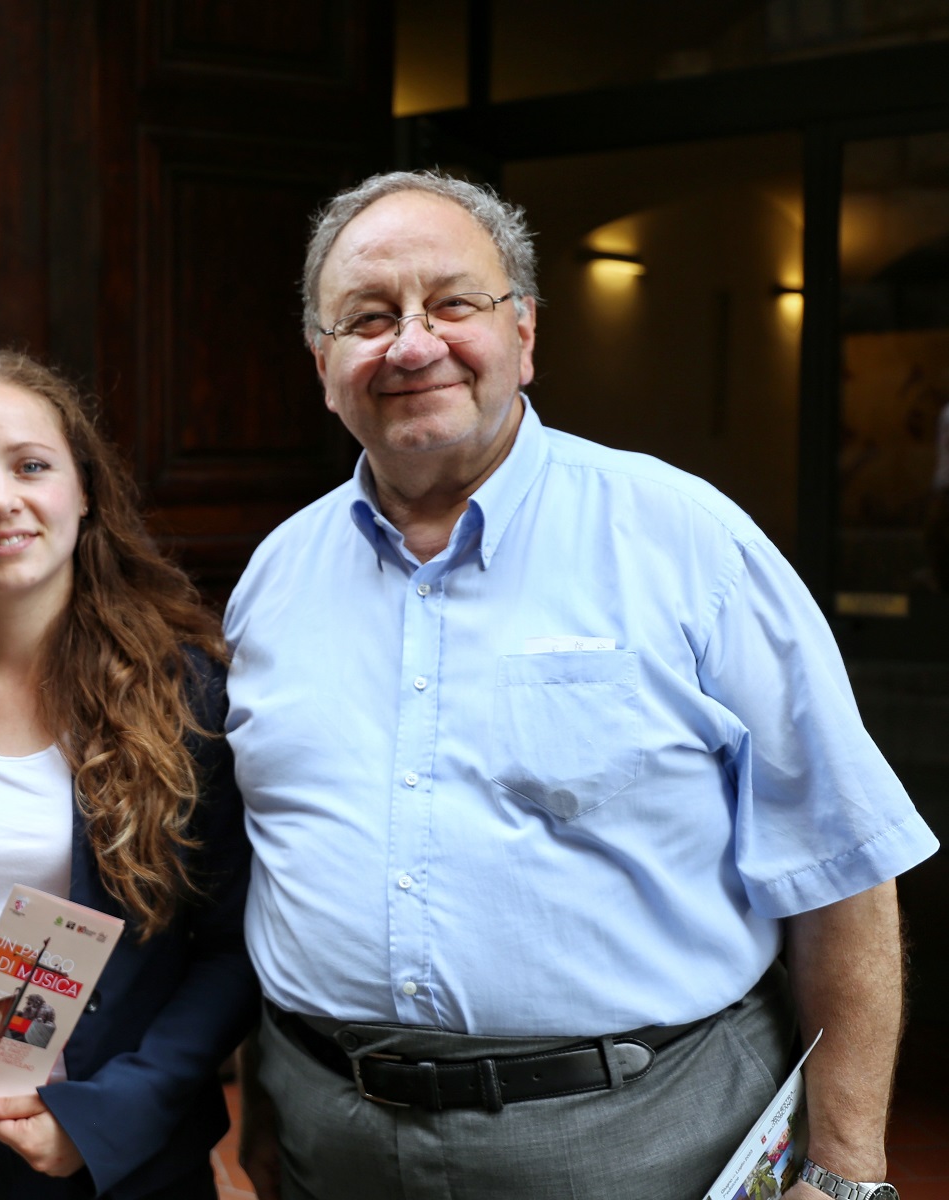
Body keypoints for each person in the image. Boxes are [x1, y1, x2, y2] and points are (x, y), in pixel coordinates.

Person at [224, 171, 939, 1200]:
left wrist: (847, 1168)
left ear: (525, 331)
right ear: (322, 362)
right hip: (330, 1140)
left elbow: (844, 866)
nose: (412, 343)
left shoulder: (688, 544)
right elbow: (267, 869)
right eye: (369, 318)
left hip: (640, 1142)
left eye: (453, 304)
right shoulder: (272, 584)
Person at [0, 351, 258, 1199]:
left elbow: (229, 954)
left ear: (84, 489)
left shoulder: (187, 696)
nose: (0, 500)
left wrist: (102, 1119)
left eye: (31, 465)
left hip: (129, 1160)